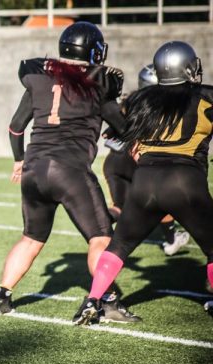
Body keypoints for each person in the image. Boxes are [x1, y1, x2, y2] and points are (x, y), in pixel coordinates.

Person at [0, 22, 141, 323]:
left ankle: (1, 296)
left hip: (34, 169)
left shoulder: (39, 79)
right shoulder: (98, 84)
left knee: (31, 238)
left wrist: (19, 160)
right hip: (69, 170)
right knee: (100, 237)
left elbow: (16, 127)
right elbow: (124, 128)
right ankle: (107, 301)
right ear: (94, 51)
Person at [73, 41, 213, 324]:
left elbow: (115, 132)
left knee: (119, 246)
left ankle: (93, 300)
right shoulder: (206, 96)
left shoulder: (140, 99)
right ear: (185, 67)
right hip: (185, 180)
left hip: (145, 181)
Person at [102, 64, 190, 256]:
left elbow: (111, 129)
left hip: (113, 162)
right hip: (136, 158)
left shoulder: (127, 100)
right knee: (163, 199)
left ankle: (98, 223)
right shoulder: (156, 106)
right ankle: (171, 239)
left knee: (119, 207)